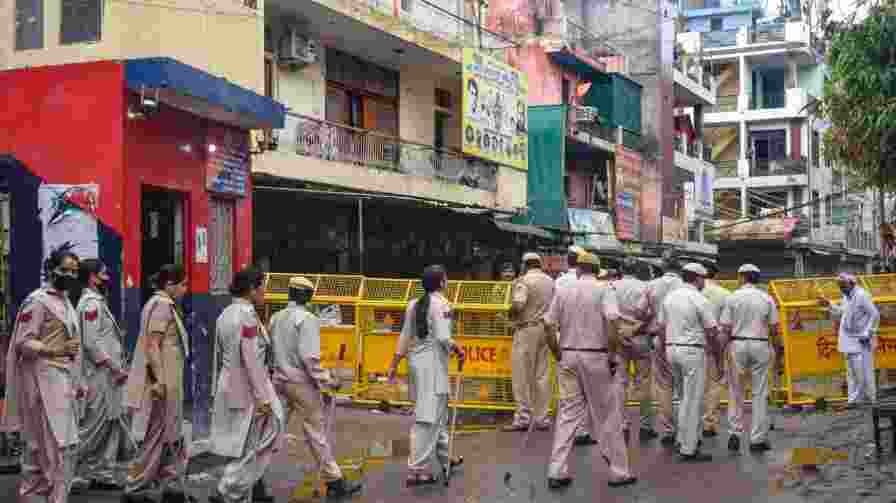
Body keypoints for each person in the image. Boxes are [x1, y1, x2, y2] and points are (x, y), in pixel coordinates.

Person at [543, 251, 636, 490]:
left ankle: (557, 470)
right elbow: (613, 322)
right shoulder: (605, 289)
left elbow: (548, 324)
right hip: (596, 356)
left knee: (567, 415)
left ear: (578, 269)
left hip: (568, 355)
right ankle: (618, 471)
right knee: (607, 415)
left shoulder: (563, 290)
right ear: (597, 271)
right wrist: (613, 355)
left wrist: (557, 353)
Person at [2, 249, 84, 503]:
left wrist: (78, 380)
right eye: (65, 269)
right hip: (43, 382)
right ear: (51, 270)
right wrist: (55, 350)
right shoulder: (37, 301)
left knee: (52, 447)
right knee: (54, 447)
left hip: (63, 381)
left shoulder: (66, 301)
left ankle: (40, 496)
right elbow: (24, 343)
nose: (70, 275)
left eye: (74, 271)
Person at [269, 276, 361, 498]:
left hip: (278, 381)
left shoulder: (275, 318)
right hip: (301, 384)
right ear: (308, 296)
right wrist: (329, 381)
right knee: (315, 432)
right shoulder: (307, 319)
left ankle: (250, 478)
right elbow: (310, 359)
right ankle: (334, 480)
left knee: (269, 431)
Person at [209, 268, 284, 503]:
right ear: (252, 289)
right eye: (262, 286)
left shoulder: (226, 313)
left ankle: (241, 493)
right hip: (248, 386)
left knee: (246, 443)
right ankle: (228, 488)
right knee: (269, 431)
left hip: (230, 383)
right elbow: (250, 359)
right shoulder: (247, 316)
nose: (265, 292)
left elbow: (218, 356)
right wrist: (263, 397)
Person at [387, 266, 465, 486]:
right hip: (432, 366)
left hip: (417, 363)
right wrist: (458, 349)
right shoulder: (442, 305)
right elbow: (443, 337)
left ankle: (445, 457)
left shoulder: (413, 304)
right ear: (441, 282)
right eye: (446, 278)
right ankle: (417, 470)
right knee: (427, 419)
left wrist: (394, 364)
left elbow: (404, 337)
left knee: (435, 415)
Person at [123, 265, 193, 503]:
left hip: (169, 380)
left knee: (171, 434)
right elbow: (153, 345)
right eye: (183, 284)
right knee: (157, 436)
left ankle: (171, 485)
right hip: (163, 381)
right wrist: (160, 381)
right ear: (170, 285)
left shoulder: (161, 305)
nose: (186, 289)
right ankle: (136, 488)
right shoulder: (162, 306)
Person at [73, 259, 133, 491]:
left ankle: (103, 473)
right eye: (104, 273)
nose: (107, 277)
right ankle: (63, 464)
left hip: (109, 374)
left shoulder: (97, 302)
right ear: (92, 278)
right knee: (94, 426)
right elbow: (90, 342)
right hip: (100, 374)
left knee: (111, 424)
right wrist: (112, 366)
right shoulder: (90, 304)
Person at [657, 262, 718, 462]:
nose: (704, 282)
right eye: (703, 279)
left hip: (671, 349)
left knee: (683, 397)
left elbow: (661, 327)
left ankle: (683, 439)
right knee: (692, 400)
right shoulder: (699, 299)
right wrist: (715, 353)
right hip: (691, 351)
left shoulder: (670, 298)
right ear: (698, 278)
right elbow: (711, 330)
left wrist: (664, 349)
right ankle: (689, 448)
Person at [720, 264, 779, 452]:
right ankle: (757, 439)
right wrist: (778, 351)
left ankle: (734, 433)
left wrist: (721, 352)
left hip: (737, 344)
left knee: (735, 391)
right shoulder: (766, 298)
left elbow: (726, 328)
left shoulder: (732, 298)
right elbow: (774, 329)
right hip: (760, 344)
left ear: (742, 277)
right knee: (759, 393)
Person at [504, 253, 555, 432]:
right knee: (542, 375)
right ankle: (542, 418)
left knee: (521, 375)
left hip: (526, 330)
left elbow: (518, 305)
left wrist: (508, 315)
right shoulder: (550, 281)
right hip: (545, 329)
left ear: (525, 265)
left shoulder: (523, 281)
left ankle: (523, 418)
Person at [818, 272, 880, 407]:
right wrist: (829, 303)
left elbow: (875, 315)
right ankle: (853, 400)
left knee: (864, 371)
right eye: (839, 286)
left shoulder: (862, 295)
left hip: (862, 340)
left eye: (843, 286)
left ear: (852, 284)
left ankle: (871, 399)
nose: (841, 289)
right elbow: (843, 312)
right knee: (851, 372)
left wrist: (868, 333)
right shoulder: (847, 296)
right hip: (848, 339)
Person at [553, 246, 594, 445]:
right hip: (590, 345)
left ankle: (568, 435)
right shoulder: (597, 286)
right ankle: (583, 431)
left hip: (565, 343)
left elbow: (550, 320)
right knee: (587, 393)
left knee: (568, 396)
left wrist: (555, 349)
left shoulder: (560, 282)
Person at [644, 254, 684, 445]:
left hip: (659, 339)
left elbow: (641, 311)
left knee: (664, 386)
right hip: (683, 340)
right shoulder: (685, 286)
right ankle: (687, 431)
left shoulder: (651, 285)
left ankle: (668, 430)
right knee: (685, 389)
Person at [613, 257, 654, 440]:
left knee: (620, 382)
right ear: (637, 270)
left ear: (622, 269)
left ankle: (622, 425)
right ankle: (645, 426)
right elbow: (650, 314)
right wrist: (635, 329)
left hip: (618, 338)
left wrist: (621, 333)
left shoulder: (612, 286)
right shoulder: (645, 287)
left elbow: (607, 313)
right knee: (643, 382)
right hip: (640, 337)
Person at [700, 262, 731, 438]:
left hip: (689, 344)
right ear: (716, 275)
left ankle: (685, 426)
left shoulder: (690, 293)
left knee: (689, 387)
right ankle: (709, 423)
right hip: (715, 343)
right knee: (714, 384)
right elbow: (727, 325)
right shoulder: (725, 294)